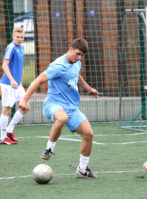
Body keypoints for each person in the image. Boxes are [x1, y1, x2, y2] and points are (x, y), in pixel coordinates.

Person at [19, 38, 98, 178]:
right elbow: (37, 80)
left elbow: (77, 76)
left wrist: (89, 89)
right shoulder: (57, 66)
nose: (79, 58)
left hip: (71, 107)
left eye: (82, 56)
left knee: (89, 134)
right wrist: (24, 100)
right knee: (62, 118)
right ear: (70, 48)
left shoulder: (76, 63)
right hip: (53, 104)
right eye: (78, 54)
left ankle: (82, 169)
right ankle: (49, 149)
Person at [0, 27, 29, 145]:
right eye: (17, 37)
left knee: (25, 106)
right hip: (8, 84)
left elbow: (18, 65)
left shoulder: (21, 47)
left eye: (22, 37)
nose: (20, 39)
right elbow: (4, 65)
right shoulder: (11, 47)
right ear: (13, 36)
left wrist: (19, 79)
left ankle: (9, 130)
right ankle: (2, 137)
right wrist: (12, 79)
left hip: (17, 84)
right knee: (6, 110)